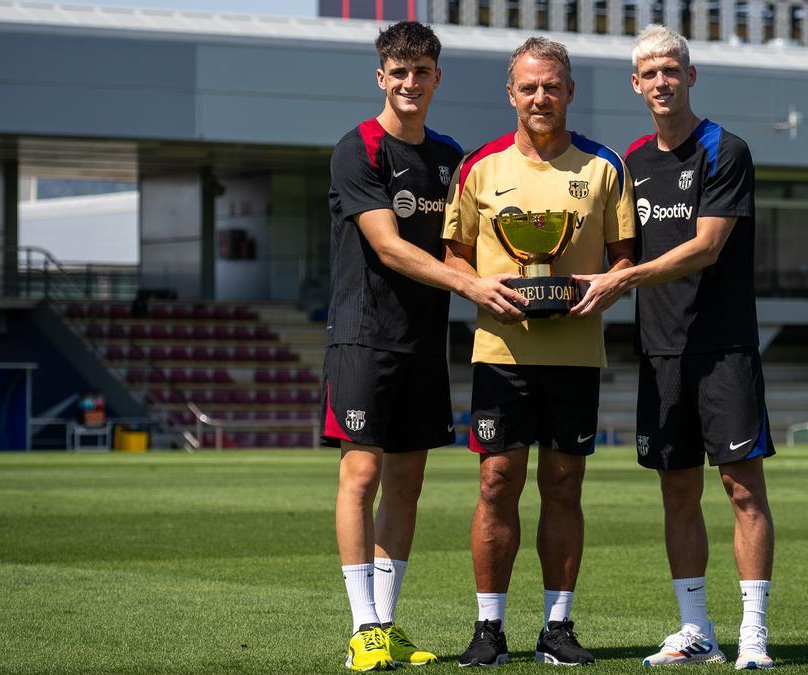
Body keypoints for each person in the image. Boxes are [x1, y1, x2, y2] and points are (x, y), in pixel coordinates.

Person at [569, 25, 776, 670]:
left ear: (691, 76)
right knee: (676, 492)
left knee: (743, 489)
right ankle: (696, 631)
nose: (661, 82)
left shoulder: (725, 149)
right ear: (636, 84)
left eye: (671, 70)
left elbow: (707, 246)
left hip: (723, 350)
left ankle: (753, 635)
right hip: (659, 352)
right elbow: (617, 247)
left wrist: (621, 279)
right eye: (649, 73)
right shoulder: (630, 162)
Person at [322, 20, 525, 672]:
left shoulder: (451, 158)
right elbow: (387, 245)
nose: (410, 83)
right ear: (382, 77)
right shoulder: (359, 149)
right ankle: (362, 627)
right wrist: (472, 284)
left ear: (437, 77)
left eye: (421, 72)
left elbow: (473, 242)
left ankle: (385, 623)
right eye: (398, 73)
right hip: (363, 339)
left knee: (408, 482)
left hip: (423, 344)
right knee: (362, 474)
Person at [442, 36, 636, 667]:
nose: (540, 97)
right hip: (500, 351)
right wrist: (479, 289)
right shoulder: (479, 167)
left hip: (576, 355)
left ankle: (557, 626)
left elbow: (624, 258)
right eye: (528, 87)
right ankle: (488, 629)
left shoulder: (604, 166)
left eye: (552, 85)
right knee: (497, 483)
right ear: (511, 94)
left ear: (570, 91)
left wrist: (604, 290)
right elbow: (455, 256)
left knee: (563, 485)